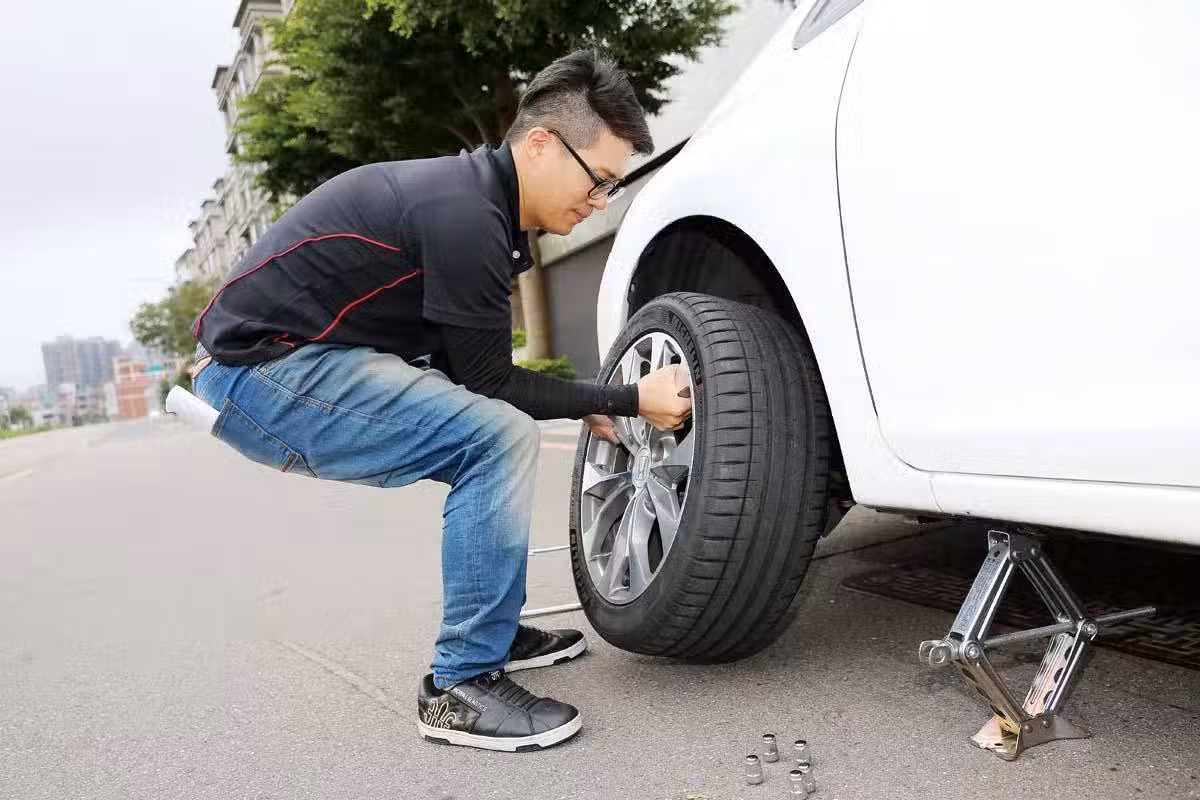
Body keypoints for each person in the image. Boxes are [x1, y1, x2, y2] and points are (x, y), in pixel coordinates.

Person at [189, 48, 692, 752]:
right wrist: (630, 396)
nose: (601, 201)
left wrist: (589, 400)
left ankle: (491, 630)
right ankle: (460, 685)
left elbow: (473, 370)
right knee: (497, 438)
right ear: (541, 145)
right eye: (599, 180)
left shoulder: (477, 205)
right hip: (259, 373)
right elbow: (492, 386)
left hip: (286, 362)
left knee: (492, 433)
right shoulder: (465, 216)